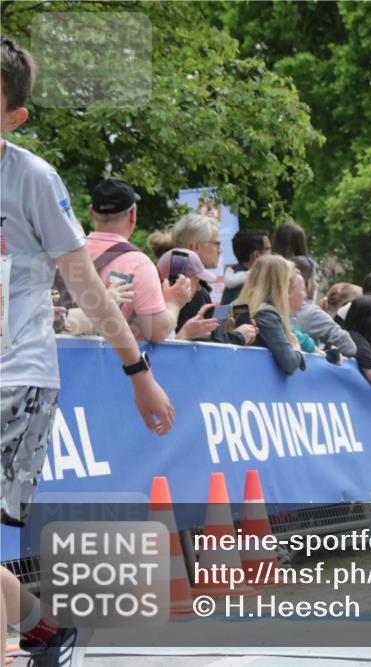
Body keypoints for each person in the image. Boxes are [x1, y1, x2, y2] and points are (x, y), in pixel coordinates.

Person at [1, 35, 174, 665]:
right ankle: (46, 632)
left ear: (13, 116)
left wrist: (138, 371)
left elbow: (88, 286)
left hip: (16, 376)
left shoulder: (32, 180)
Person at [82, 178, 193, 343]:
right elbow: (156, 332)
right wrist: (174, 302)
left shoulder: (67, 254)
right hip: (112, 363)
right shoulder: (138, 263)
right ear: (133, 214)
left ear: (91, 212)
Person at [230, 255, 305, 375]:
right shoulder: (267, 315)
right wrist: (297, 350)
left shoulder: (238, 307)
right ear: (279, 283)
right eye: (288, 280)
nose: (289, 286)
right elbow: (289, 363)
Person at [290, 256, 356, 358]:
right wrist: (327, 354)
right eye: (315, 279)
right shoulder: (312, 313)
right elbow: (349, 347)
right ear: (307, 283)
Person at [221, 229, 271, 305]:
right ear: (256, 255)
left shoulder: (238, 280)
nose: (271, 254)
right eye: (268, 249)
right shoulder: (244, 286)